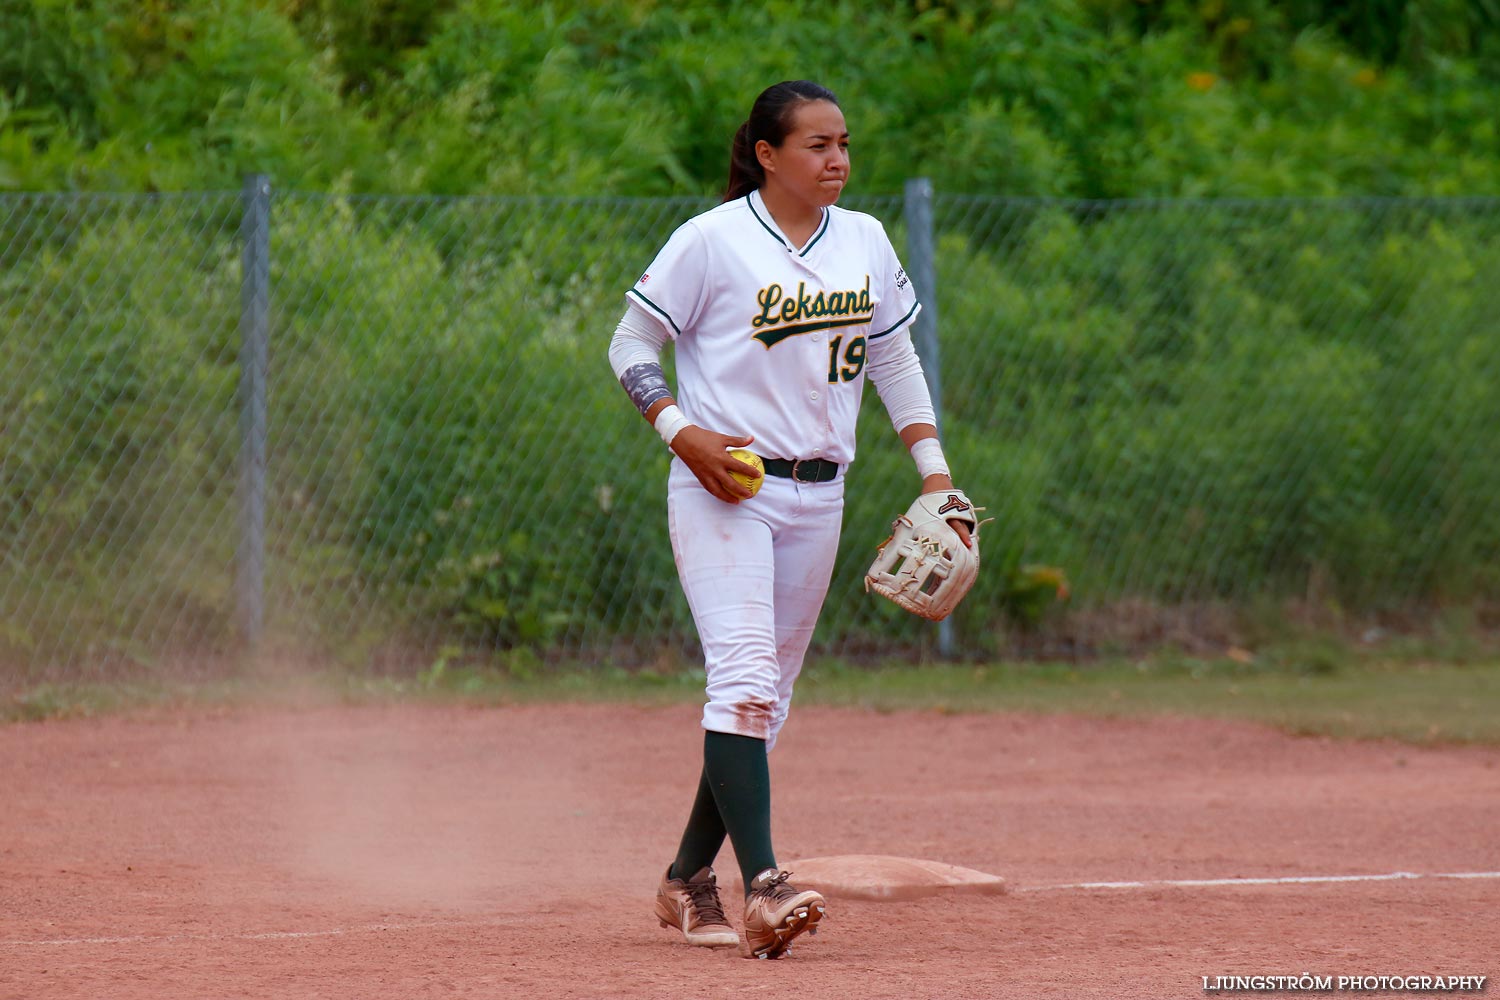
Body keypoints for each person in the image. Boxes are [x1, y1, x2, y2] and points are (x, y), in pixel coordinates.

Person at [607, 80, 970, 959]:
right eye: (816, 144)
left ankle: (686, 879)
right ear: (768, 155)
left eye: (843, 142)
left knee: (764, 704)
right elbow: (629, 344)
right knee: (742, 678)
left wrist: (937, 476)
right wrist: (680, 433)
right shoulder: (712, 240)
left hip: (822, 493)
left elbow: (891, 355)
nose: (837, 158)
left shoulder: (867, 241)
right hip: (726, 484)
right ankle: (763, 887)